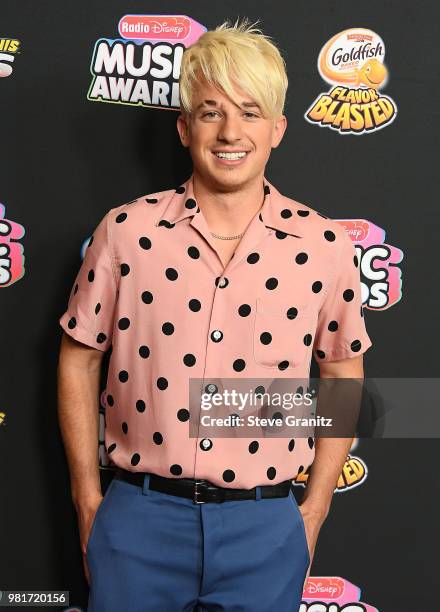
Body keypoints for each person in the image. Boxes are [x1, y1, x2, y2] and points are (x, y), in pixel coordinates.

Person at [57, 18, 372, 612]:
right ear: (183, 127)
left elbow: (342, 377)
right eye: (210, 111)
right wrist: (89, 501)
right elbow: (79, 360)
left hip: (266, 527)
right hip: (138, 522)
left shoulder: (325, 245)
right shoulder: (127, 232)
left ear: (278, 129)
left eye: (250, 112)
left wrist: (313, 511)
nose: (231, 131)